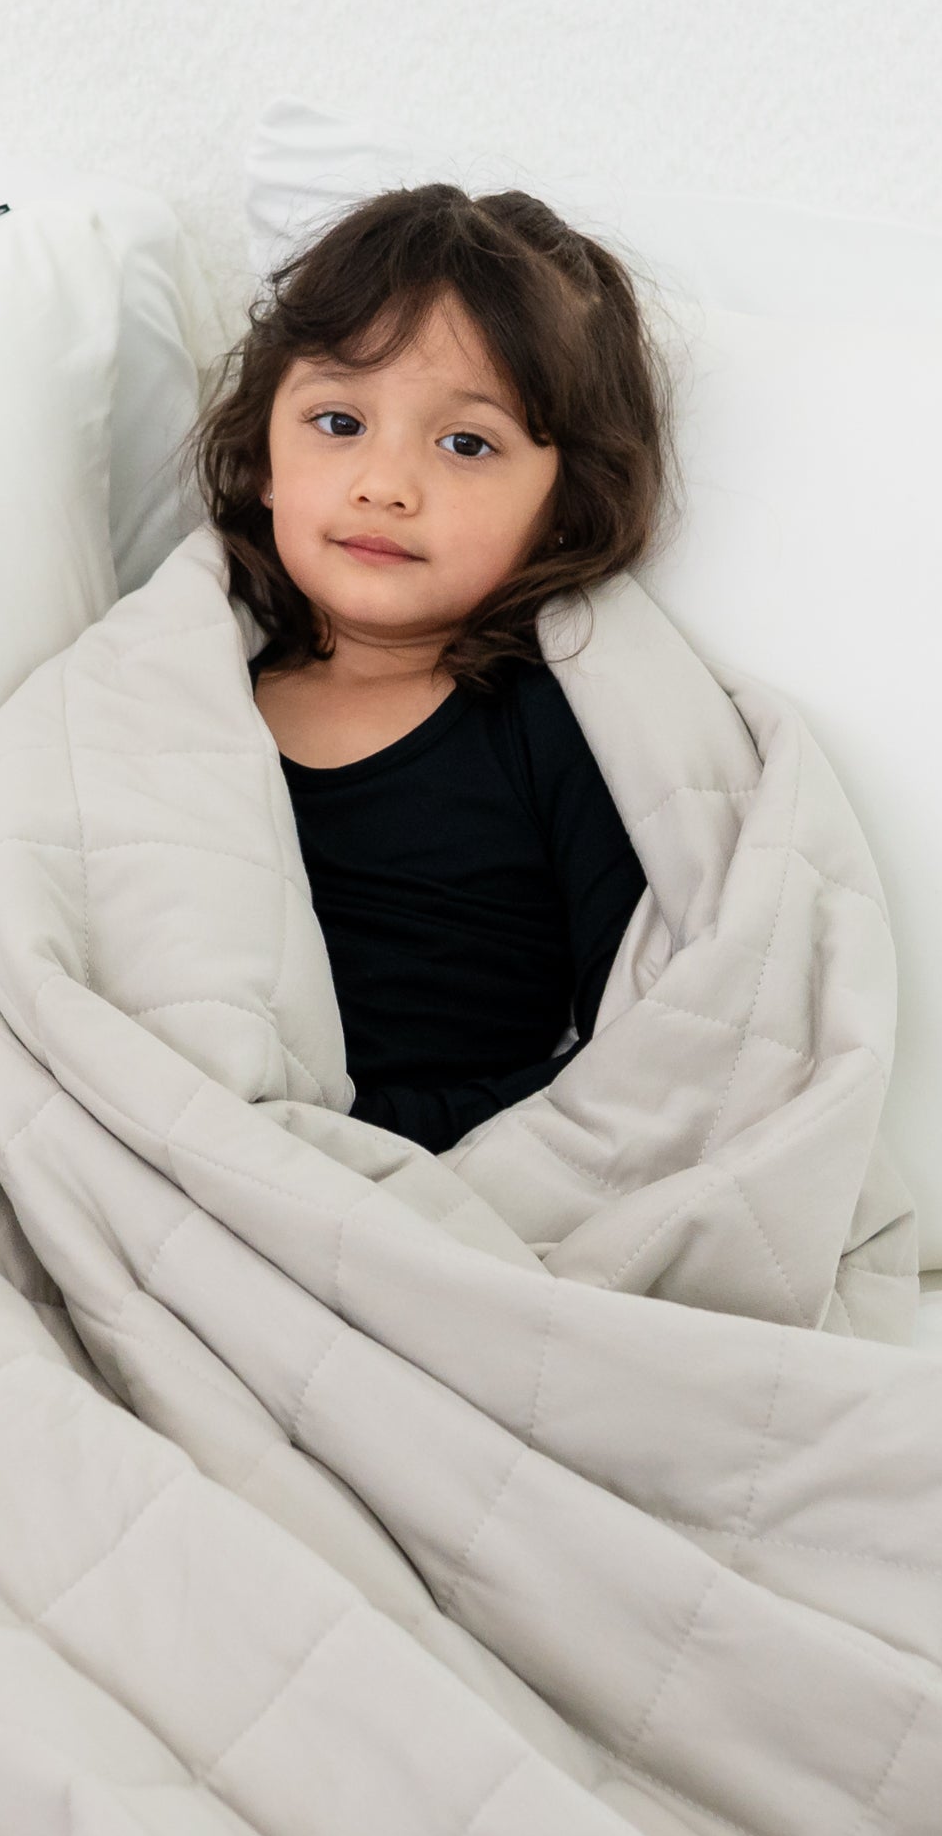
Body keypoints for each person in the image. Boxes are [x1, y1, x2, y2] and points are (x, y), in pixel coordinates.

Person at [187, 181, 674, 1149]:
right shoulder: (189, 694)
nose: (385, 485)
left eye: (465, 442)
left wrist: (384, 1140)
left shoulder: (547, 724)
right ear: (267, 455)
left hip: (440, 1179)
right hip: (196, 1142)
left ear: (566, 503)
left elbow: (647, 1046)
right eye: (338, 422)